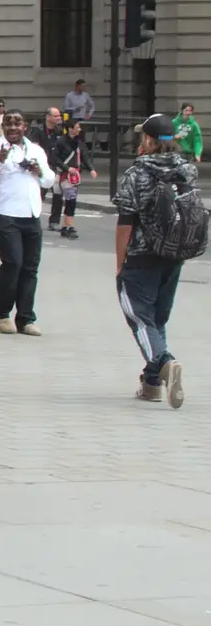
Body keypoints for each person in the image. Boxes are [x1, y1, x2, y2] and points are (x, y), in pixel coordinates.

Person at [115, 113, 199, 407]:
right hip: (174, 255)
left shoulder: (137, 173)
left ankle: (165, 363)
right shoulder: (187, 171)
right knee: (157, 319)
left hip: (141, 256)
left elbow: (126, 222)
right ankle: (151, 384)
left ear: (148, 140)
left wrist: (119, 263)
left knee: (139, 317)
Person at [0, 110, 57, 335]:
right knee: (13, 263)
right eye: (8, 123)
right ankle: (0, 312)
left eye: (17, 123)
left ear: (25, 126)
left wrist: (37, 170)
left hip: (31, 213)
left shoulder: (35, 150)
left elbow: (49, 179)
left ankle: (26, 318)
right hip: (5, 212)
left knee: (30, 268)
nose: (12, 127)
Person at [48, 120, 98, 238]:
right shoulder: (60, 142)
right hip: (64, 175)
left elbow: (85, 156)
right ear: (70, 129)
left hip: (74, 176)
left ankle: (65, 227)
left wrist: (91, 169)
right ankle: (70, 227)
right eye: (77, 127)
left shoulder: (79, 143)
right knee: (71, 200)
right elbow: (54, 159)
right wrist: (66, 168)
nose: (79, 129)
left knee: (71, 200)